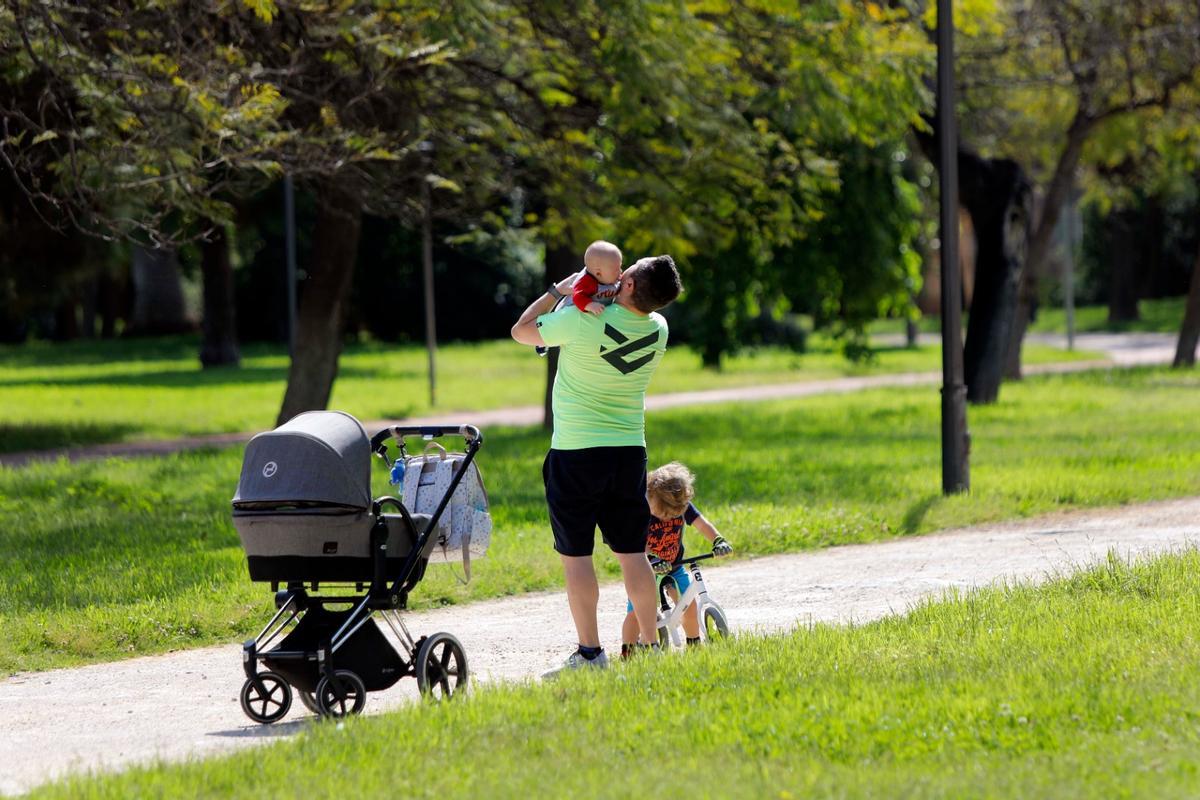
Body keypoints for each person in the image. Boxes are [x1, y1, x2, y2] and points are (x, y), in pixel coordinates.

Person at [511, 253, 683, 674]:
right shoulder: (658, 329)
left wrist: (560, 292)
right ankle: (650, 646)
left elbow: (520, 331)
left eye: (625, 272)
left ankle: (590, 653)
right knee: (632, 554)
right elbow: (621, 310)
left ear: (626, 286)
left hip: (576, 453)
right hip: (628, 452)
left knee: (577, 557)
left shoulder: (582, 321)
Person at [620, 462, 733, 657]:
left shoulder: (679, 504)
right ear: (650, 495)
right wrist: (652, 558)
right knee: (636, 613)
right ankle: (628, 652)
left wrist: (717, 539)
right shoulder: (642, 510)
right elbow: (636, 542)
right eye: (662, 513)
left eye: (673, 514)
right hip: (647, 570)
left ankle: (694, 645)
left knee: (688, 606)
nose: (667, 517)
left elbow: (701, 523)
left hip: (675, 566)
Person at [572, 240, 623, 315]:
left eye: (620, 267)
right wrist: (590, 305)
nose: (620, 271)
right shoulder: (586, 282)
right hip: (573, 316)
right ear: (598, 273)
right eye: (616, 270)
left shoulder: (611, 278)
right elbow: (577, 297)